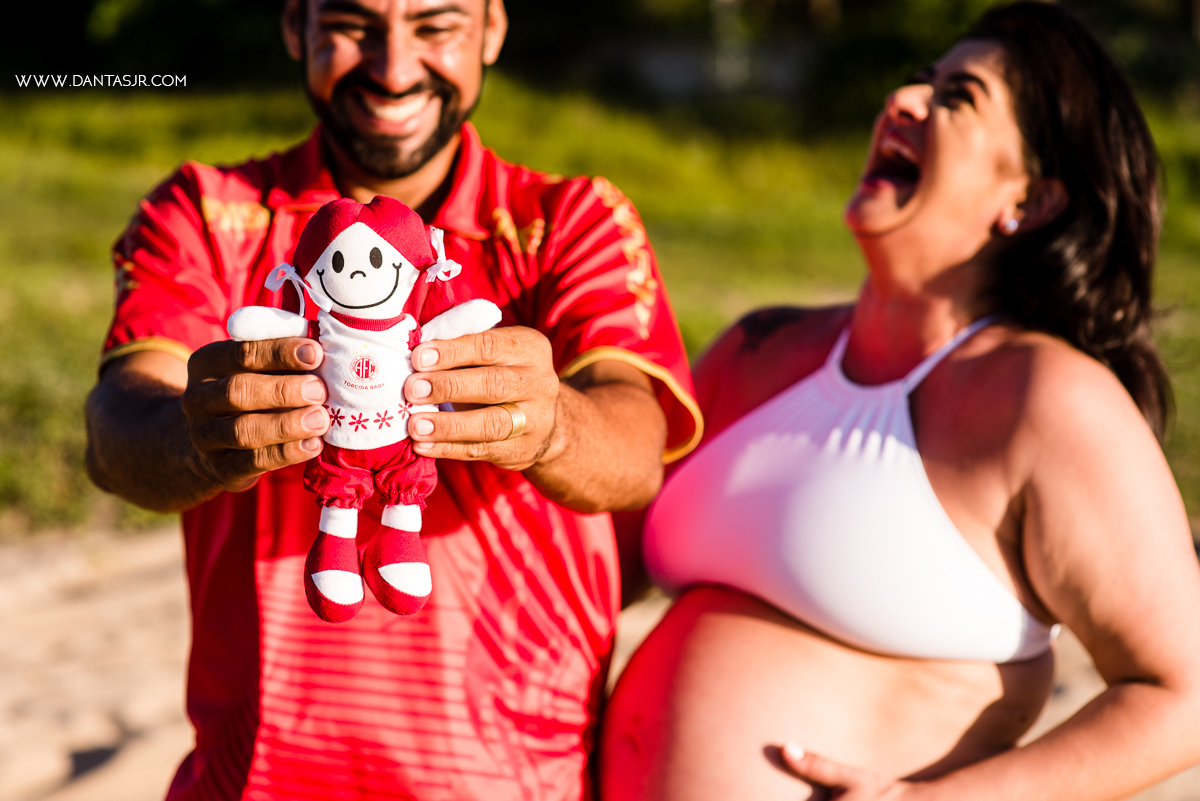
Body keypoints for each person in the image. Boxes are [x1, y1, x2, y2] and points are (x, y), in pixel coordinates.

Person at [83, 0, 702, 798]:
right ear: (294, 26)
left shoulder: (571, 221)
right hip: (251, 778)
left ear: (495, 29)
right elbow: (114, 433)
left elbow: (636, 448)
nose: (395, 68)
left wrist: (549, 425)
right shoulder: (205, 211)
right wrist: (195, 435)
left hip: (514, 777)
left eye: (436, 25)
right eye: (352, 25)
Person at [601, 4, 1200, 800]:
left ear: (1030, 199)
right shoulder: (759, 349)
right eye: (919, 81)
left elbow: (1182, 694)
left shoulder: (1048, 401)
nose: (905, 101)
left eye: (958, 98)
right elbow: (592, 568)